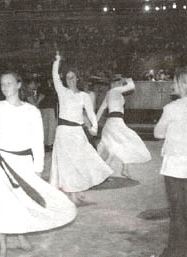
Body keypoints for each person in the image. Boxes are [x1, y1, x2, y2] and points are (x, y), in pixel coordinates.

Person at [0, 71, 76, 257]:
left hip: (23, 162)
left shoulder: (32, 111)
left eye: (9, 83)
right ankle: (3, 247)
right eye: (3, 84)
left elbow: (37, 140)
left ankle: (21, 236)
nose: (5, 86)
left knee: (21, 201)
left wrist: (38, 168)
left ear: (18, 85)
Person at [49, 52, 113, 204]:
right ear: (65, 80)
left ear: (77, 78)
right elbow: (54, 76)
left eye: (73, 77)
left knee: (83, 159)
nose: (70, 80)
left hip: (78, 132)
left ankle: (78, 189)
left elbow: (91, 114)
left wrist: (94, 128)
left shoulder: (84, 96)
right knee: (66, 162)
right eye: (68, 78)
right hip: (64, 132)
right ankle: (71, 193)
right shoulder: (62, 92)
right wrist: (57, 61)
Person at [154, 66, 187, 257]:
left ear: (181, 84)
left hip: (175, 164)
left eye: (175, 82)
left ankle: (174, 251)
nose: (173, 85)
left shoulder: (171, 108)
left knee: (177, 211)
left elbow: (157, 133)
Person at [96, 77, 151, 179]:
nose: (121, 85)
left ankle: (107, 172)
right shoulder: (115, 90)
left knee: (112, 148)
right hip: (116, 122)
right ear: (114, 83)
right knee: (128, 141)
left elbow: (100, 110)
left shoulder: (110, 94)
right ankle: (123, 169)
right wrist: (127, 78)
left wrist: (94, 125)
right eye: (118, 82)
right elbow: (131, 86)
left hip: (111, 123)